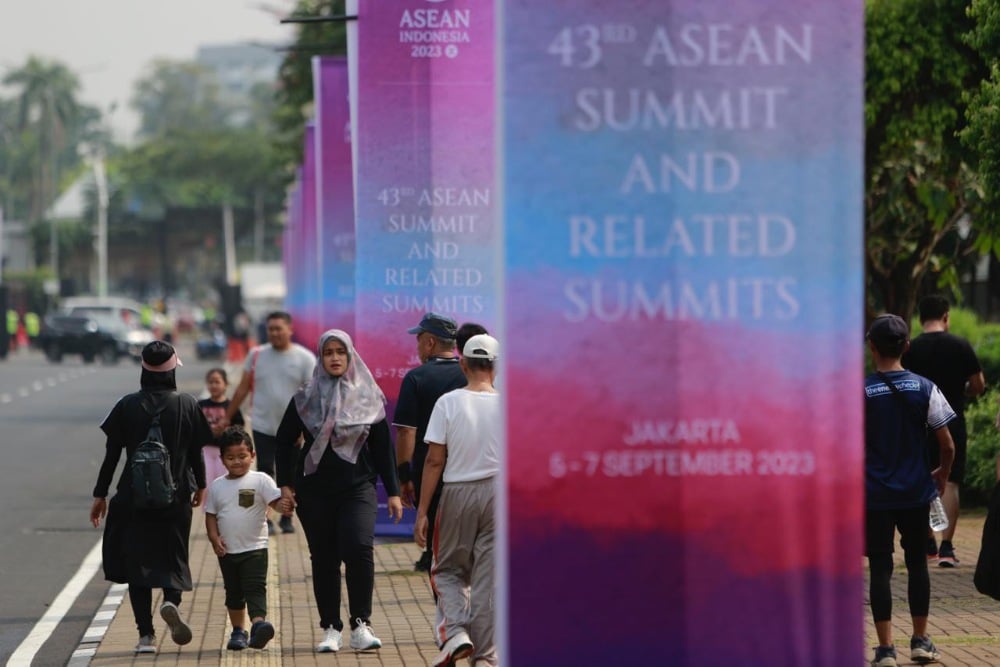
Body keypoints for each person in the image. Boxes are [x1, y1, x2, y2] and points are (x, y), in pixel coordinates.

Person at [275, 329, 403, 653]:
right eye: (328, 352)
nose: (334, 357)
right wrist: (286, 485)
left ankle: (362, 624)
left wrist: (393, 491)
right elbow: (284, 440)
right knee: (324, 558)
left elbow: (382, 448)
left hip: (357, 487)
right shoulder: (305, 397)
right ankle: (331, 627)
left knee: (359, 547)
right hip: (314, 490)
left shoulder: (367, 396)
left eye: (340, 352)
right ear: (321, 357)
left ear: (350, 357)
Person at [89, 341, 213, 654]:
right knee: (174, 556)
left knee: (138, 565)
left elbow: (112, 455)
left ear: (144, 369)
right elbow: (196, 450)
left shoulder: (127, 405)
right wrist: (201, 484)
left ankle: (145, 636)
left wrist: (100, 494)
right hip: (176, 497)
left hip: (133, 496)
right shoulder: (186, 404)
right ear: (172, 370)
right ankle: (170, 602)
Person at [865, 314, 956, 667]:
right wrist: (942, 474)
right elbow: (946, 445)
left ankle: (885, 649)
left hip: (874, 495)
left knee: (880, 568)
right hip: (917, 492)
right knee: (917, 564)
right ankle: (920, 640)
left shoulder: (859, 392)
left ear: (871, 347)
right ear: (907, 346)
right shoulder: (925, 388)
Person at [415, 334, 501, 667]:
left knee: (447, 571)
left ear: (463, 363)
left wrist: (422, 511)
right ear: (495, 366)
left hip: (457, 494)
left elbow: (435, 460)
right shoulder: (509, 405)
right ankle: (486, 658)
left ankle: (456, 634)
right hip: (498, 495)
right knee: (487, 579)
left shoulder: (448, 402)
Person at [902, 294, 986, 566]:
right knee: (950, 482)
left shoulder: (911, 348)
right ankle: (947, 548)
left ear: (920, 319)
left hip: (919, 424)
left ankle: (928, 542)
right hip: (953, 420)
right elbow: (979, 385)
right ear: (946, 317)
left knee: (924, 478)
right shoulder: (961, 346)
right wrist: (963, 390)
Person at [225, 311, 315, 534]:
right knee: (265, 471)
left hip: (294, 429)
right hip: (262, 423)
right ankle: (267, 517)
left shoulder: (305, 358)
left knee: (292, 474)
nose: (274, 333)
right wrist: (228, 415)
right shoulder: (256, 355)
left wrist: (307, 428)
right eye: (270, 329)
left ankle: (287, 516)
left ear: (289, 329)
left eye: (278, 328)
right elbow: (243, 387)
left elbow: (312, 397)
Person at [393, 312, 465, 573]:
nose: (417, 346)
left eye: (419, 340)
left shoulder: (417, 378)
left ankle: (438, 568)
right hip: (467, 468)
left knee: (435, 527)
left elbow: (406, 433)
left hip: (429, 470)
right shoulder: (470, 375)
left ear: (430, 342)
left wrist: (404, 475)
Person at [204, 426, 287, 651]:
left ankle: (259, 625)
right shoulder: (217, 486)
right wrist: (214, 538)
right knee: (234, 592)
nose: (237, 461)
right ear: (221, 459)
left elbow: (275, 502)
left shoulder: (261, 480)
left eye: (242, 456)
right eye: (230, 457)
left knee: (255, 587)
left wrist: (284, 505)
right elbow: (210, 515)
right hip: (228, 550)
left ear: (253, 455)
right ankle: (238, 631)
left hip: (256, 547)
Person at [199, 368, 245, 485]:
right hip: (206, 450)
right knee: (206, 482)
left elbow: (240, 428)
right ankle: (206, 504)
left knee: (224, 481)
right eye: (210, 382)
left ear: (226, 384)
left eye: (217, 382)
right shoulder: (200, 405)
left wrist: (226, 431)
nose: (213, 385)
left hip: (225, 451)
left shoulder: (231, 406)